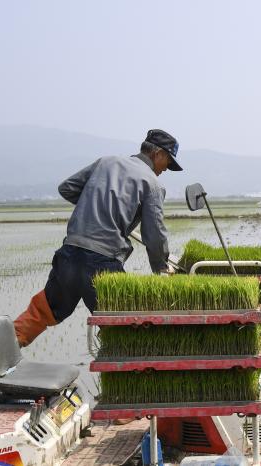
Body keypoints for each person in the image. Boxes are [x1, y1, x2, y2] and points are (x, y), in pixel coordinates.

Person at [13, 129, 182, 347]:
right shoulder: (152, 183)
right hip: (102, 263)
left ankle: (0, 351)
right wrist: (160, 268)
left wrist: (95, 209)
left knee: (44, 309)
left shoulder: (106, 162)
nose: (165, 169)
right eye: (168, 162)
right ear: (158, 154)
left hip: (70, 254)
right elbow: (155, 235)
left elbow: (67, 188)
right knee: (122, 325)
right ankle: (127, 376)